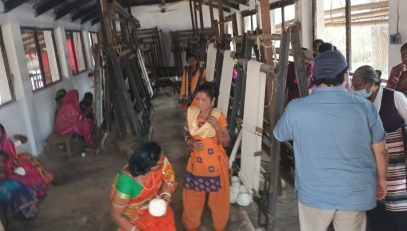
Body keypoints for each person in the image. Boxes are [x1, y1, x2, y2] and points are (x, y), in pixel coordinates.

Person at [273, 51, 388, 231]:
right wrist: (381, 179)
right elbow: (380, 150)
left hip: (314, 192)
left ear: (314, 76)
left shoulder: (297, 108)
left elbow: (279, 134)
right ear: (345, 75)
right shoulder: (365, 108)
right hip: (354, 192)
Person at [352, 65, 407, 231]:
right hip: (373, 167)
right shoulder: (360, 104)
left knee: (398, 213)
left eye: (358, 86)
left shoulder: (395, 98)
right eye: (353, 86)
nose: (355, 90)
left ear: (370, 84)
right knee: (376, 211)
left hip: (397, 168)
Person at [182, 82, 231, 231]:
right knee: (192, 196)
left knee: (219, 199)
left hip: (215, 164)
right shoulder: (191, 112)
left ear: (213, 100)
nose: (200, 103)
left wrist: (217, 127)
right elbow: (185, 132)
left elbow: (226, 142)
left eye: (204, 100)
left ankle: (220, 226)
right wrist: (189, 141)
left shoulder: (218, 116)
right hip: (196, 164)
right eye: (197, 99)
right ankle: (191, 225)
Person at [110, 142, 177, 231]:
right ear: (148, 167)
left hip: (155, 205)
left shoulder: (161, 162)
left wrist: (165, 196)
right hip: (133, 216)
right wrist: (135, 229)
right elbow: (116, 215)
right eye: (159, 162)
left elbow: (168, 180)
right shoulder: (126, 184)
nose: (163, 160)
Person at [0, 123, 53, 199]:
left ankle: (41, 185)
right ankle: (37, 189)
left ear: (3, 132)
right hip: (5, 169)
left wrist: (20, 138)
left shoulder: (8, 142)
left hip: (14, 162)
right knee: (21, 173)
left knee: (29, 162)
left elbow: (24, 140)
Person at [0, 151, 38, 220]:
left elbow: (5, 176)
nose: (1, 164)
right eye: (0, 161)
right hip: (2, 188)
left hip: (6, 184)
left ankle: (26, 207)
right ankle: (22, 209)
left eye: (3, 162)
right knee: (13, 190)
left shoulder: (4, 168)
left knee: (18, 185)